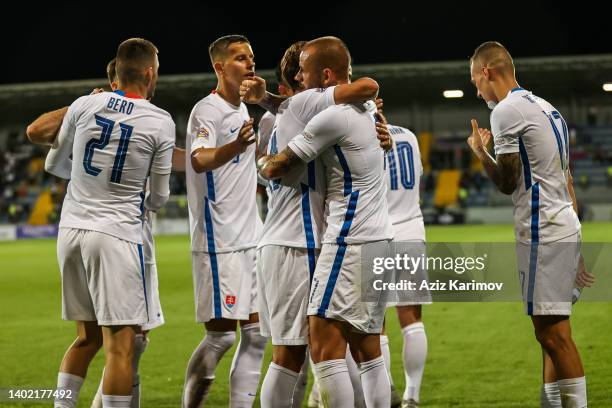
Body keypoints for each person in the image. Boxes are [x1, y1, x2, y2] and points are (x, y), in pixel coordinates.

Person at [27, 57, 185, 408]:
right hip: (115, 235)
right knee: (122, 348)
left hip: (71, 230)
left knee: (86, 339)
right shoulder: (158, 119)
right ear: (149, 72)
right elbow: (158, 197)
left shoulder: (87, 103)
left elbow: (54, 164)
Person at [240, 37, 380, 408]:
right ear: (305, 82)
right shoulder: (306, 106)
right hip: (295, 244)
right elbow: (365, 86)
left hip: (302, 241)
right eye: (301, 70)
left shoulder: (290, 112)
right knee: (294, 355)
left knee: (321, 350)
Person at [467, 41, 594, 408]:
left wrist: (480, 152)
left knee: (555, 336)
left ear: (487, 72)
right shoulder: (548, 107)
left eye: (475, 80)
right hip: (564, 224)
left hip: (544, 230)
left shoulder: (506, 112)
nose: (476, 90)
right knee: (548, 332)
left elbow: (507, 182)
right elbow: (566, 178)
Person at [183, 34, 267, 408]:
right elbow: (199, 159)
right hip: (220, 241)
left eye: (250, 57)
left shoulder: (243, 110)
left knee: (256, 335)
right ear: (219, 67)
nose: (249, 63)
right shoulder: (207, 110)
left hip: (252, 236)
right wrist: (237, 145)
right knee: (222, 338)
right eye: (239, 58)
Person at [379, 108, 430, 408]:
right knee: (412, 320)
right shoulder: (409, 135)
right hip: (412, 229)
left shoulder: (365, 136)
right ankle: (413, 395)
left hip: (379, 232)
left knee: (377, 323)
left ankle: (387, 392)